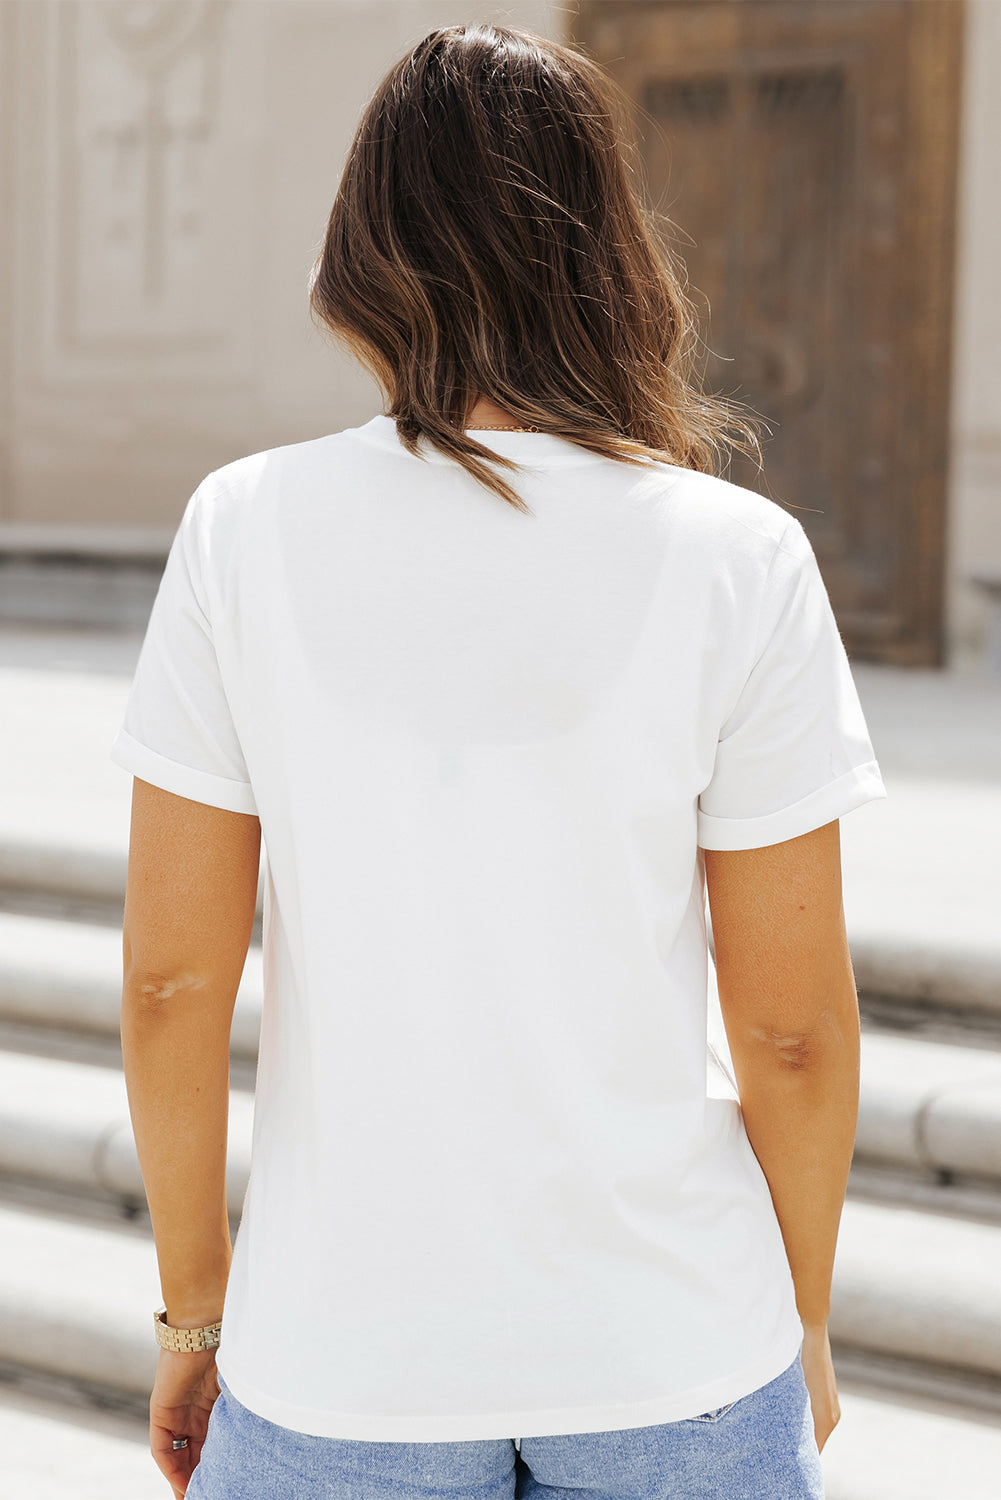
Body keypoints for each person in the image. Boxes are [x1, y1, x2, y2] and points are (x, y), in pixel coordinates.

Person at [111, 21, 886, 1500]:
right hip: (673, 1349)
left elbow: (170, 985)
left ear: (366, 250)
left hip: (339, 1358)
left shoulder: (240, 529)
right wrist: (796, 1316)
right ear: (609, 253)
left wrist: (197, 1315)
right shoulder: (741, 555)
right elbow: (792, 1030)